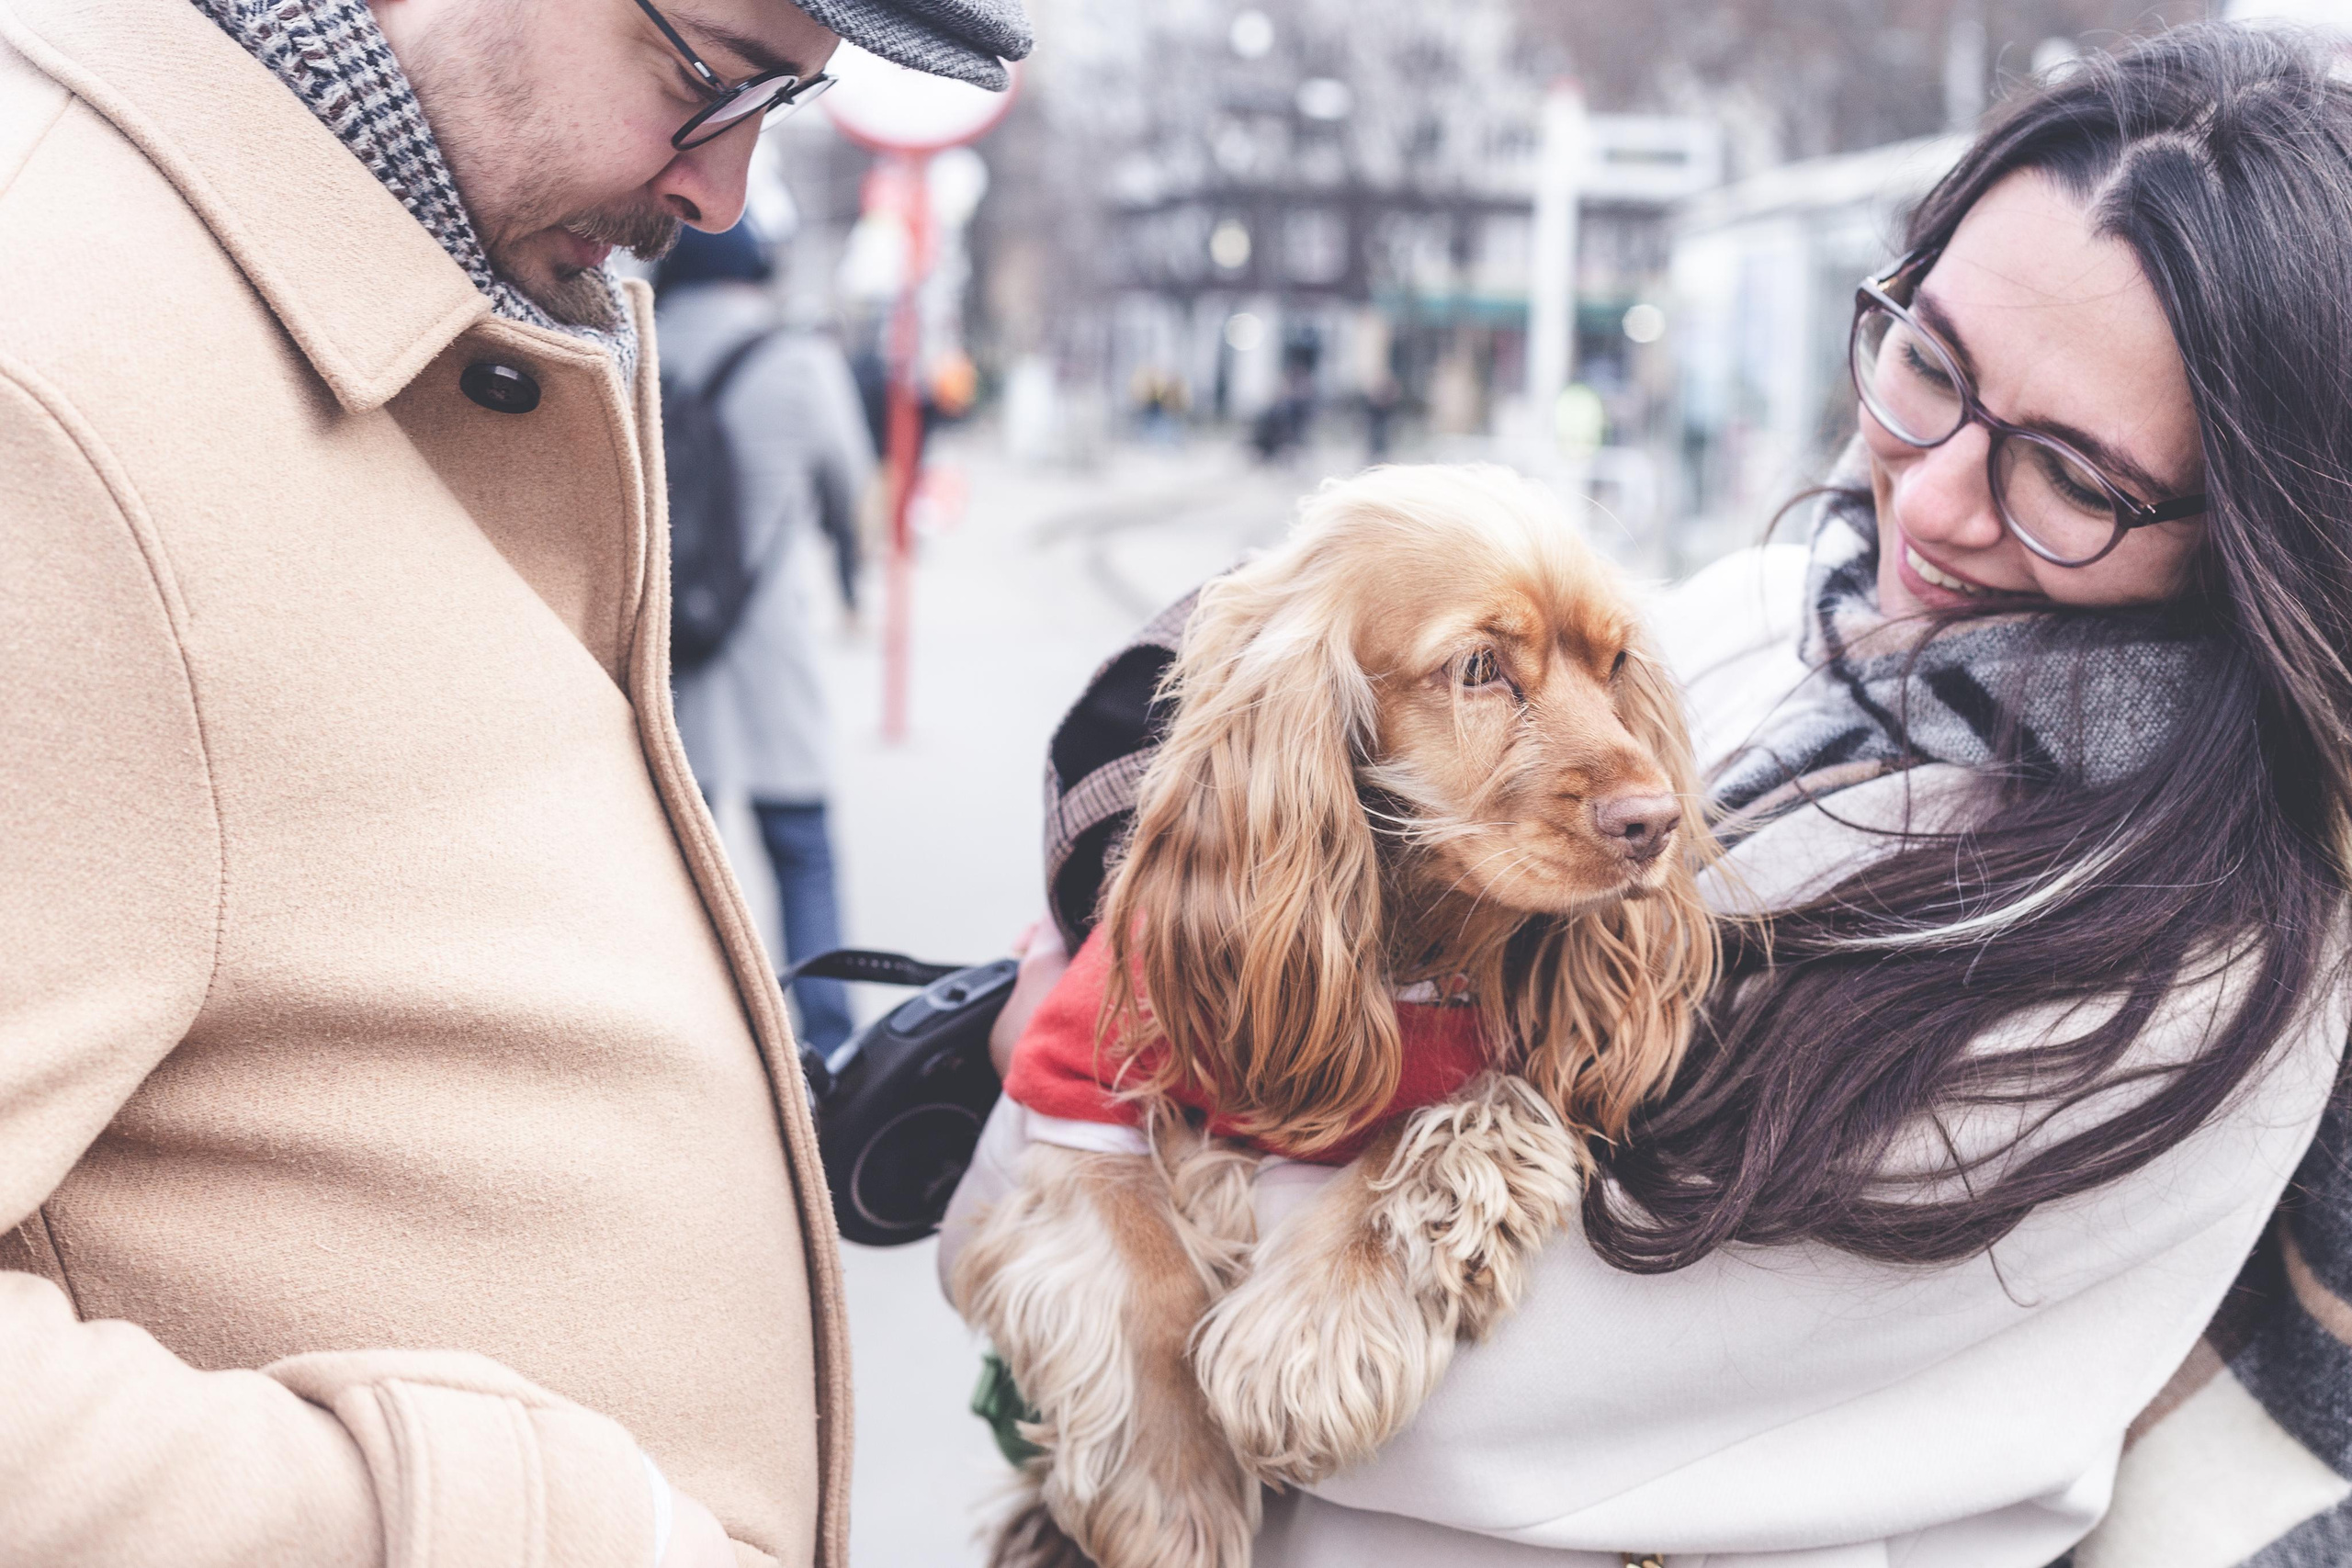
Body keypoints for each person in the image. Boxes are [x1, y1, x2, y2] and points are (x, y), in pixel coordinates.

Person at [952, 24, 2352, 1566]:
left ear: (2253, 531)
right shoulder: (1761, 613)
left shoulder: (2177, 946)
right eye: (1926, 365)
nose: (1935, 502)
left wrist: (1069, 1133)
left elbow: (1448, 1403)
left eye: (2071, 478)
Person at [0, 0, 1025, 1564]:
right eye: (709, 82)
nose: (725, 194)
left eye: (783, 109)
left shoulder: (410, 279)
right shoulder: (52, 375)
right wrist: (534, 1528)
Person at [656, 220, 872, 1059]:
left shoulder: (631, 342)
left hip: (666, 646)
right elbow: (846, 489)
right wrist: (851, 580)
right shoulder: (800, 363)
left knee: (683, 856)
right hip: (770, 642)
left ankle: (689, 1037)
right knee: (802, 846)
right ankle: (827, 1045)